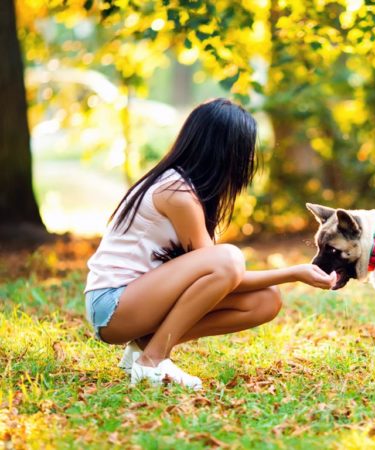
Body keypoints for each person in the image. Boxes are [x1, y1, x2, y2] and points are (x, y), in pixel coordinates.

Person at [84, 98, 335, 390]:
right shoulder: (176, 192)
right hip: (113, 306)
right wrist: (294, 272)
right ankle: (152, 361)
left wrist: (293, 274)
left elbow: (226, 279)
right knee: (228, 257)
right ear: (226, 152)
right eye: (245, 151)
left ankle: (144, 347)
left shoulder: (188, 191)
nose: (249, 162)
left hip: (137, 302)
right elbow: (226, 270)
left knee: (266, 300)